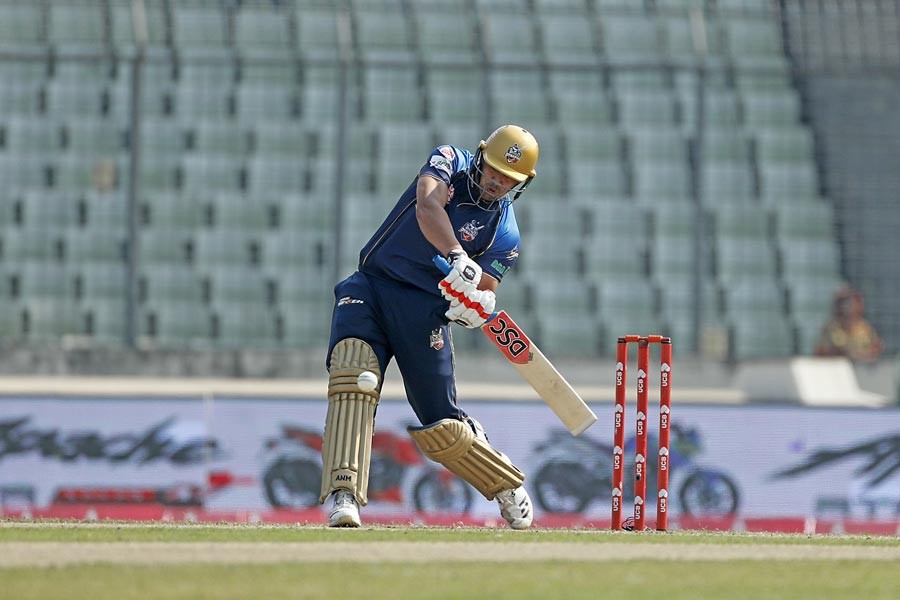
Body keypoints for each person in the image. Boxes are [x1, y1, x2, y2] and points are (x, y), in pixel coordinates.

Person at [318, 125, 539, 529]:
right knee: (354, 374)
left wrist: (471, 306)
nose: (496, 182)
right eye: (492, 170)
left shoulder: (504, 232)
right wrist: (456, 256)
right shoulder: (449, 161)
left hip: (424, 312)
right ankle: (344, 494)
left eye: (508, 179)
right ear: (481, 156)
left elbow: (484, 289)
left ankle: (504, 483)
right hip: (374, 285)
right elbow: (427, 206)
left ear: (521, 184)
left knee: (444, 427)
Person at [814, 284, 883, 363]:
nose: (849, 307)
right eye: (845, 303)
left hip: (863, 369)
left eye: (853, 303)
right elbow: (820, 352)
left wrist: (861, 354)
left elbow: (877, 348)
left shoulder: (864, 328)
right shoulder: (831, 328)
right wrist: (838, 353)